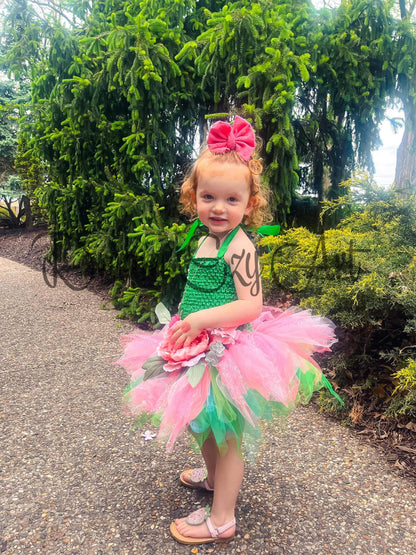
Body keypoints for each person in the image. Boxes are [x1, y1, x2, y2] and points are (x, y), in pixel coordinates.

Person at [116, 116, 341, 545]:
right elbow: (196, 289)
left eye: (231, 200)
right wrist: (183, 318)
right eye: (208, 197)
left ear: (249, 205)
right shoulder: (204, 241)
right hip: (196, 345)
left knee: (229, 430)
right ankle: (214, 475)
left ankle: (222, 518)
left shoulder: (241, 247)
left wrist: (199, 319)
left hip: (231, 349)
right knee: (202, 420)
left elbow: (250, 304)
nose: (218, 208)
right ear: (193, 198)